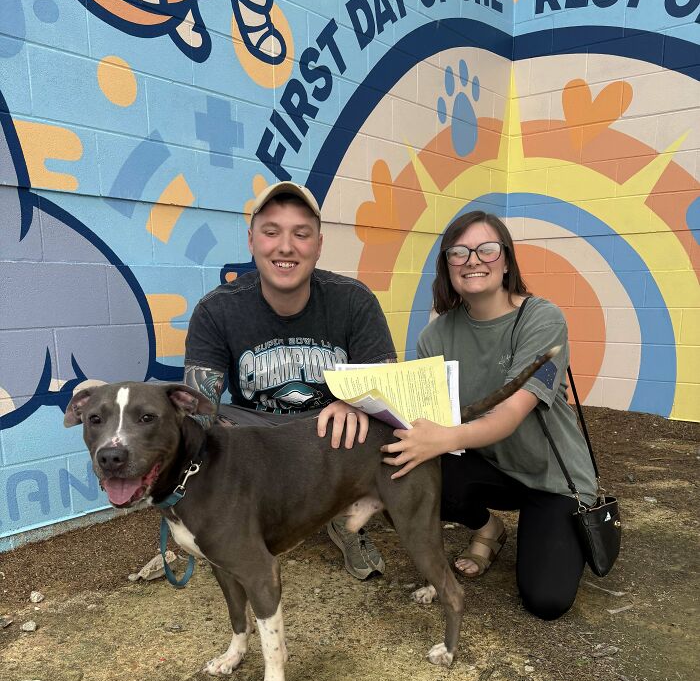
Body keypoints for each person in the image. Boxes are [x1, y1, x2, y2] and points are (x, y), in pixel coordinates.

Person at [381, 211, 597, 620]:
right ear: (447, 267)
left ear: (507, 260)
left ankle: (554, 526)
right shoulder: (435, 336)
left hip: (551, 478)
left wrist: (444, 438)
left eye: (487, 249)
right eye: (458, 252)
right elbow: (423, 412)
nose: (473, 260)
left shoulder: (542, 319)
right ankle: (487, 528)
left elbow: (512, 412)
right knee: (402, 468)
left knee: (546, 601)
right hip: (490, 466)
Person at [184, 181, 397, 580]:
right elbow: (199, 403)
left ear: (318, 244)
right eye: (271, 232)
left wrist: (353, 402)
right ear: (251, 241)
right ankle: (227, 527)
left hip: (326, 429)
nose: (286, 246)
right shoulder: (218, 309)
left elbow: (387, 386)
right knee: (208, 429)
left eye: (301, 234)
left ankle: (345, 517)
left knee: (374, 425)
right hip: (257, 430)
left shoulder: (352, 300)